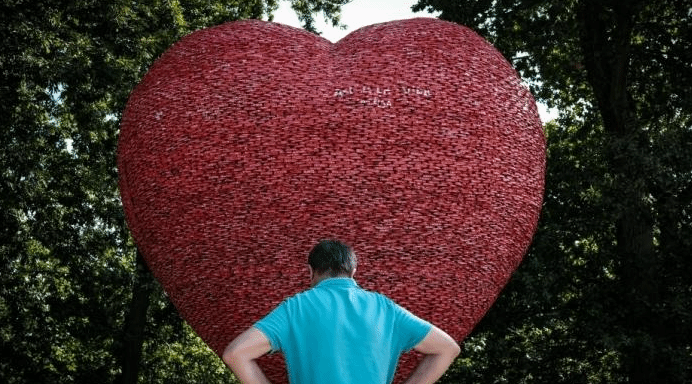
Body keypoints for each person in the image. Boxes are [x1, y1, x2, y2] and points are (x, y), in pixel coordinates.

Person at [223, 239, 460, 384]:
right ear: (353, 270)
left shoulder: (296, 307)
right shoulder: (386, 309)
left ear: (310, 272)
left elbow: (236, 353)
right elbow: (447, 348)